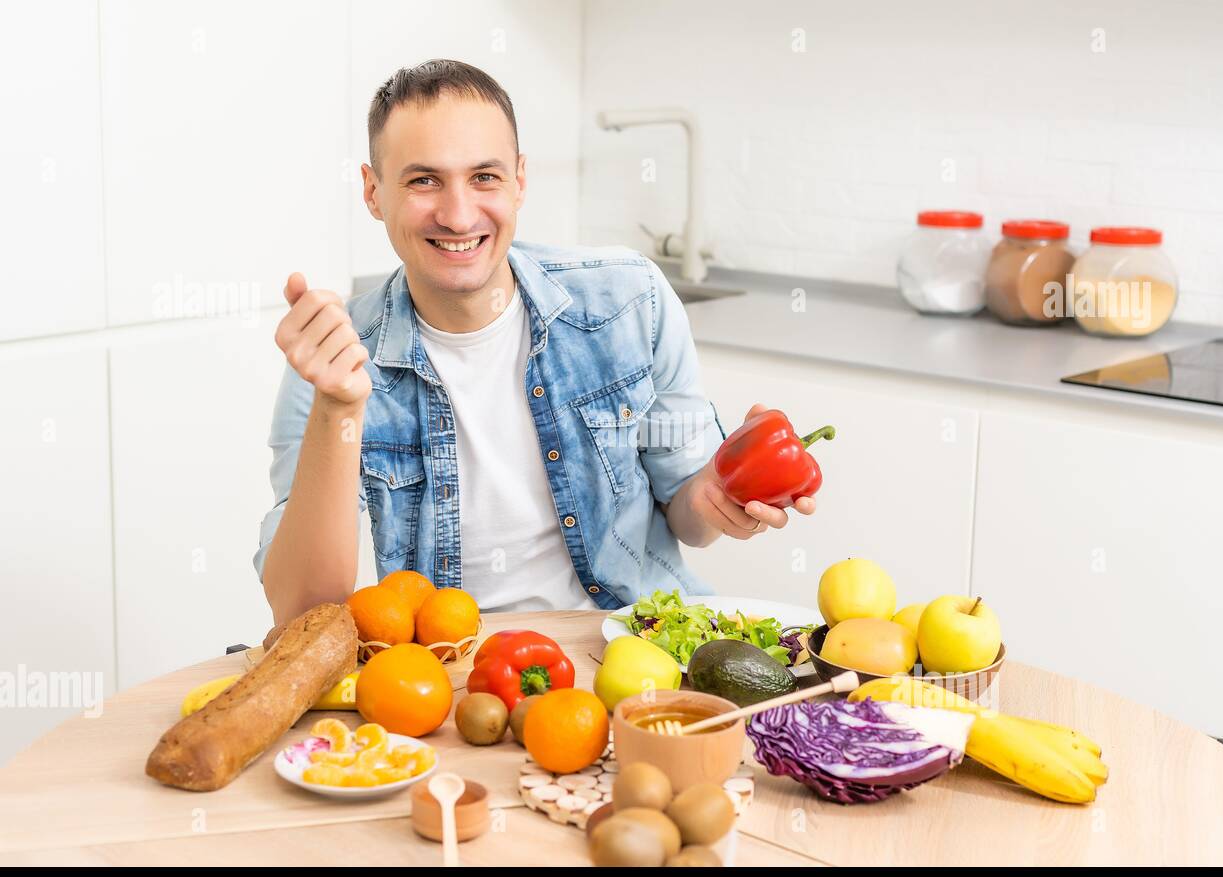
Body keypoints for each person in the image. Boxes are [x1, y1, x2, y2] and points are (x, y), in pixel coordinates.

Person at [254, 59, 815, 624]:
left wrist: (721, 487)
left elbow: (688, 519)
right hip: (451, 671)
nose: (457, 214)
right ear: (374, 193)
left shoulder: (628, 298)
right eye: (424, 180)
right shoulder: (334, 364)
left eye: (484, 177)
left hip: (635, 647)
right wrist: (338, 405)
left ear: (519, 181)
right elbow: (303, 608)